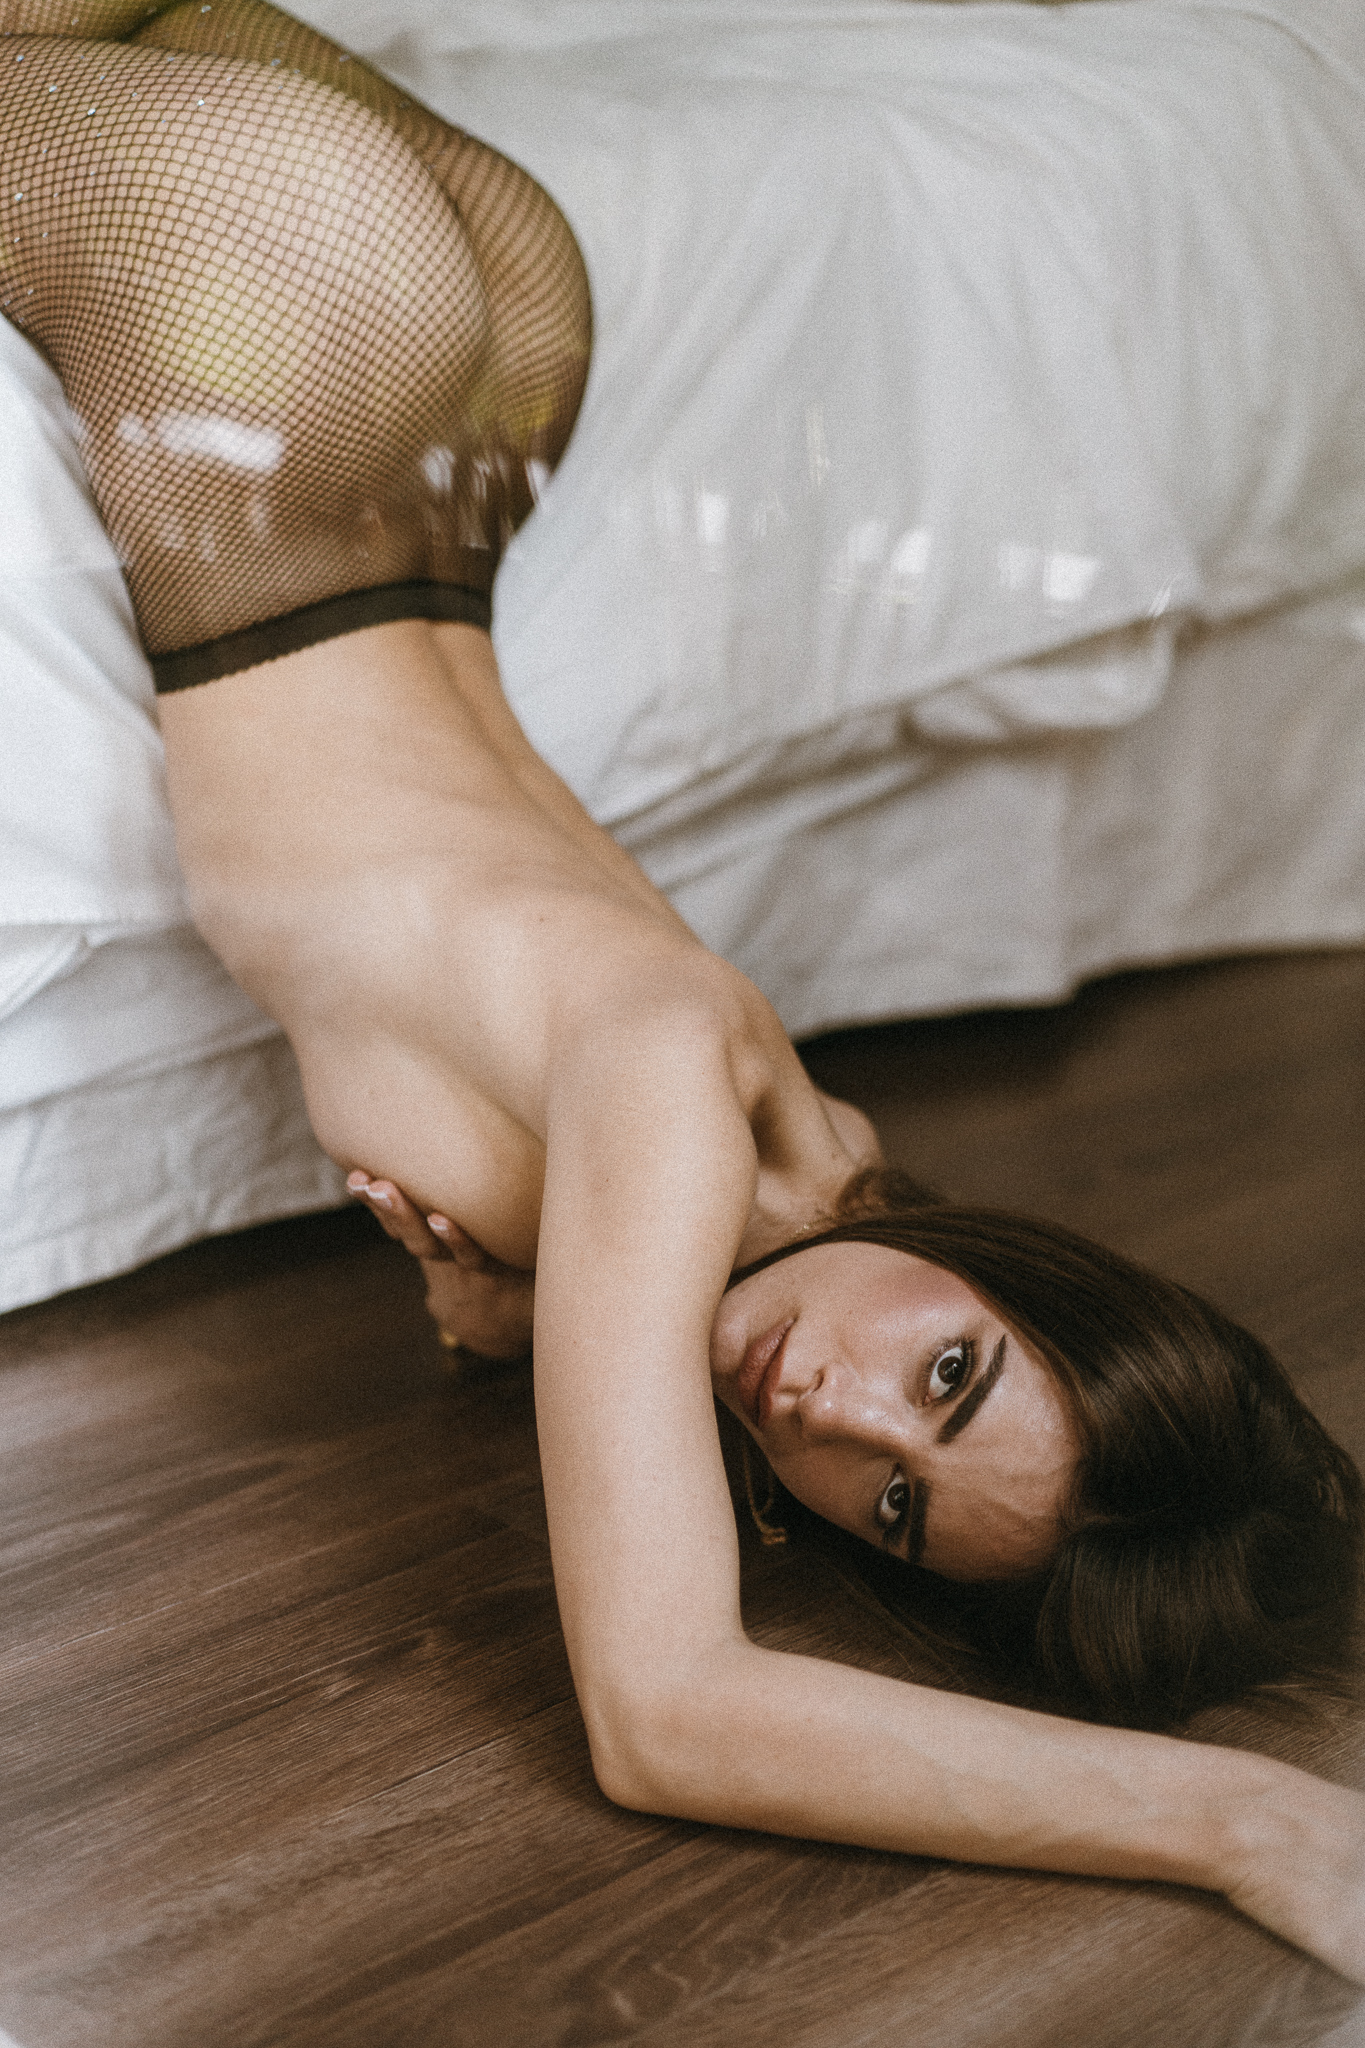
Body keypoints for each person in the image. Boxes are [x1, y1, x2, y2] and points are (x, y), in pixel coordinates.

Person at [4, 0, 1363, 1986]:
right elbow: (665, 1714)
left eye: (885, 1506)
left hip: (439, 364)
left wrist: (501, 1314)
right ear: (1023, 1273)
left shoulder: (781, 1160)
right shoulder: (668, 1110)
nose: (828, 1408)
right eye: (950, 1375)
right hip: (289, 326)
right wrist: (1252, 1820)